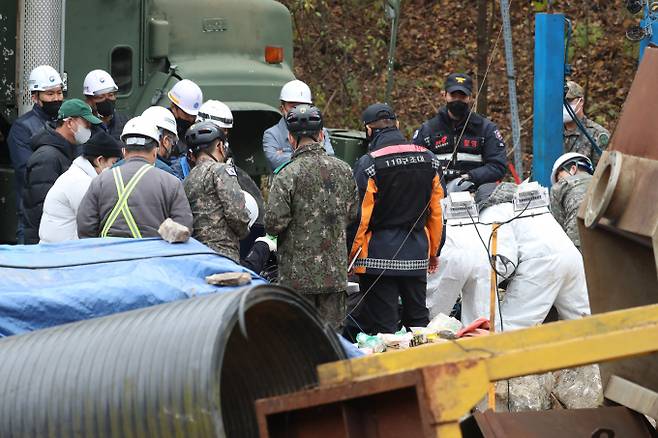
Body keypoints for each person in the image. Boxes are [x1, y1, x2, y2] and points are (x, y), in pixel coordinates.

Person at [344, 103, 444, 339]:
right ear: (397, 125)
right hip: (418, 253)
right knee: (419, 321)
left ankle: (393, 373)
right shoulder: (429, 159)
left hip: (378, 256)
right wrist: (433, 251)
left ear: (369, 131)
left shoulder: (369, 164)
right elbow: (437, 211)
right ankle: (424, 372)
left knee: (385, 328)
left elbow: (360, 218)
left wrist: (351, 256)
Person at [265, 104, 358, 330]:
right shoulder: (344, 170)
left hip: (296, 279)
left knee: (300, 343)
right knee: (332, 343)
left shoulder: (286, 175)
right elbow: (353, 213)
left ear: (290, 138)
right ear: (321, 135)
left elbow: (273, 224)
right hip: (334, 276)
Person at [477, 182, 591, 331]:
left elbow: (501, 261)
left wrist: (483, 283)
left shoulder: (493, 210)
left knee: (510, 329)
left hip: (541, 265)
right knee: (585, 322)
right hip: (572, 258)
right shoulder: (530, 205)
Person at [77, 116, 193, 238]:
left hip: (110, 255)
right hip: (154, 255)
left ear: (124, 152)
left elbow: (85, 227)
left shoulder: (100, 181)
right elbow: (182, 228)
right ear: (155, 152)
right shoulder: (171, 183)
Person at [22, 99, 102, 244]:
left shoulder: (69, 151)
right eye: (86, 124)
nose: (89, 130)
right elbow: (43, 209)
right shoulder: (47, 158)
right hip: (47, 248)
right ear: (70, 122)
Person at [196, 99, 267, 256]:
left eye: (226, 132)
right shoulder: (183, 167)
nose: (224, 137)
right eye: (221, 131)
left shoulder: (230, 166)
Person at [412, 72, 507, 186]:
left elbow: (497, 166)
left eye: (462, 96)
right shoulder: (427, 130)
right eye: (453, 95)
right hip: (437, 192)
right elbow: (414, 166)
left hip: (475, 191)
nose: (457, 100)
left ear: (470, 98)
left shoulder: (486, 129)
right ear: (445, 95)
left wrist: (470, 177)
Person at [7, 65, 64, 243]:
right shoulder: (22, 128)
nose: (56, 98)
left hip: (63, 213)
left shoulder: (65, 123)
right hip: (32, 215)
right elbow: (27, 172)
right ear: (35, 97)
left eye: (59, 92)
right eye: (50, 94)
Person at [183, 121, 250, 260]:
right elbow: (237, 214)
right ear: (219, 146)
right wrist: (245, 232)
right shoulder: (221, 170)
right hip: (223, 255)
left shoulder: (187, 179)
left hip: (196, 254)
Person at [39, 131, 123, 243]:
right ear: (100, 160)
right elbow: (94, 222)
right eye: (113, 163)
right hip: (62, 253)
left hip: (60, 248)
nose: (113, 168)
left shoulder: (78, 175)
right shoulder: (80, 182)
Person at [262, 79, 334, 172]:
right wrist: (314, 156)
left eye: (302, 105)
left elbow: (330, 159)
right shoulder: (272, 134)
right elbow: (276, 163)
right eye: (293, 106)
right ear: (282, 108)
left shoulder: (321, 131)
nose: (299, 110)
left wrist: (287, 155)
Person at [116, 105, 179, 177]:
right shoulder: (166, 173)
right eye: (173, 143)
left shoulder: (114, 169)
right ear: (166, 141)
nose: (172, 147)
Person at [550, 152, 594, 250]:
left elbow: (558, 228)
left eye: (559, 178)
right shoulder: (602, 182)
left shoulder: (559, 187)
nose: (559, 182)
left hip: (576, 244)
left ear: (573, 169)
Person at [563, 81, 610, 166]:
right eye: (561, 102)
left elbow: (602, 174)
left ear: (581, 101)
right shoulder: (551, 134)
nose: (564, 105)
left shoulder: (597, 134)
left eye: (569, 101)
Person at [167, 79, 203, 179]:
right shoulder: (162, 123)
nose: (191, 118)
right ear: (174, 107)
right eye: (187, 114)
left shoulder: (198, 126)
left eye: (193, 115)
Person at [82, 69, 129, 140]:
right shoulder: (83, 126)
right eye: (101, 97)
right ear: (88, 100)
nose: (107, 100)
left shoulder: (126, 123)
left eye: (111, 95)